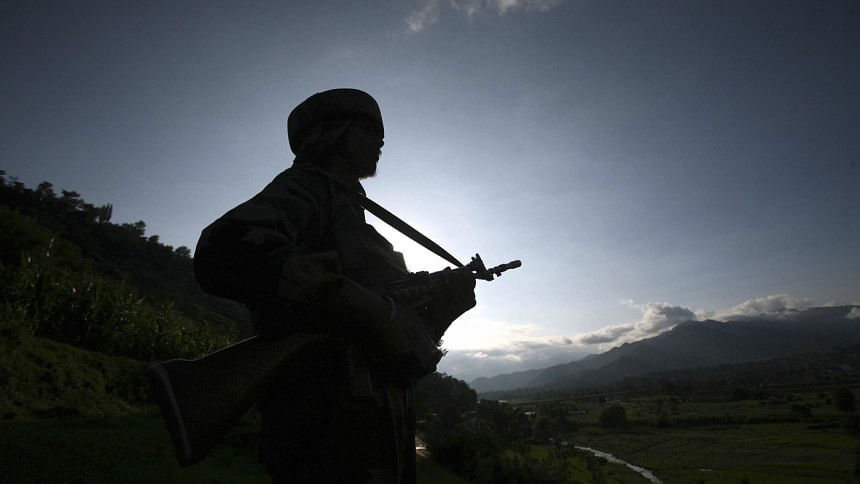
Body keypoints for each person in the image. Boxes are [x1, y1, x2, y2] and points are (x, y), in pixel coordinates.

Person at [192, 88, 476, 483]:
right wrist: (364, 304)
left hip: (379, 430)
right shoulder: (305, 188)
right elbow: (223, 249)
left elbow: (394, 352)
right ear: (330, 132)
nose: (380, 140)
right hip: (325, 428)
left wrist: (442, 311)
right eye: (367, 129)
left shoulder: (356, 220)